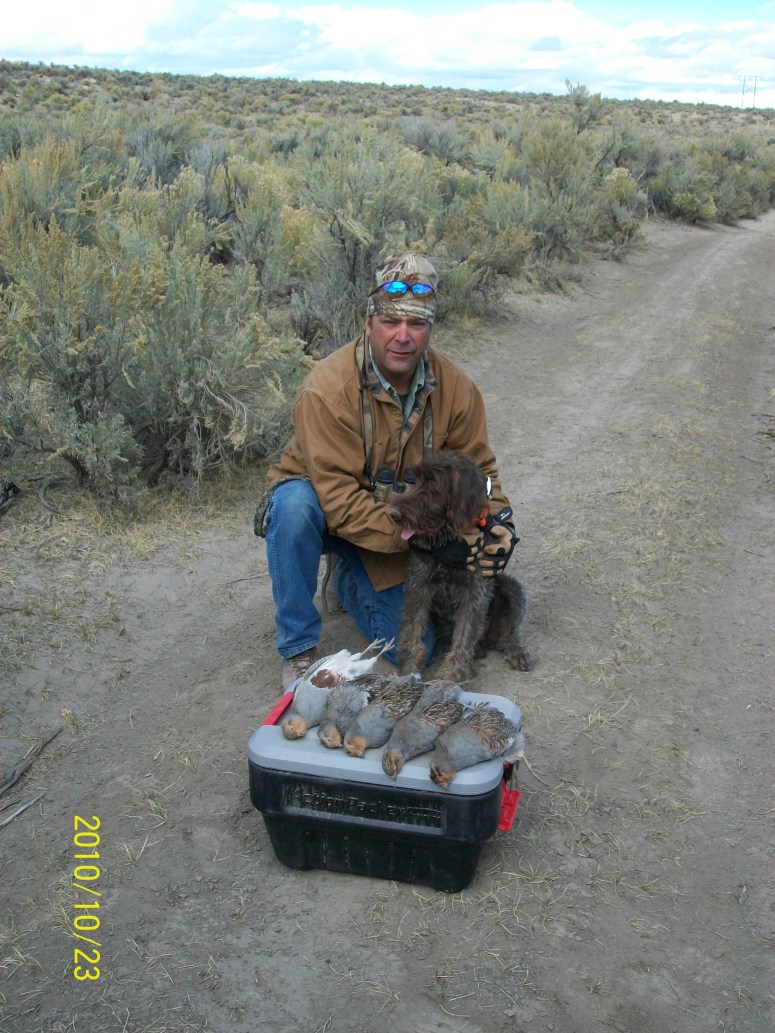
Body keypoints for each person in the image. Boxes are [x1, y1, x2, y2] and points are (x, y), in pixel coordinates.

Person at [255, 253, 518, 688]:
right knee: (292, 506)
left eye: (417, 324)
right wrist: (428, 541)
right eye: (390, 321)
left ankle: (347, 579)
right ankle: (298, 648)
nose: (403, 336)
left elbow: (480, 472)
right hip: (330, 515)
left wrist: (496, 523)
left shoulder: (457, 389)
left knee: (417, 647)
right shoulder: (326, 389)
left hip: (398, 525)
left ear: (430, 329)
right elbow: (338, 500)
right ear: (368, 323)